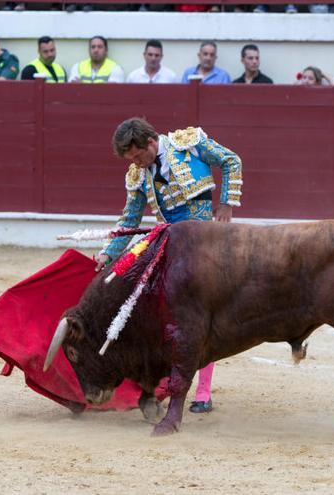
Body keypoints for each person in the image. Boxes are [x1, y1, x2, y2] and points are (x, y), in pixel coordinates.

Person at [94, 117, 243, 414]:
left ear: (150, 142)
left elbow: (231, 160)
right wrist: (107, 255)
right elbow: (129, 221)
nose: (136, 163)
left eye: (138, 156)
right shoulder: (137, 175)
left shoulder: (189, 143)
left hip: (205, 242)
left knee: (202, 313)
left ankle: (202, 391)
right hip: (171, 245)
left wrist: (226, 203)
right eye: (131, 160)